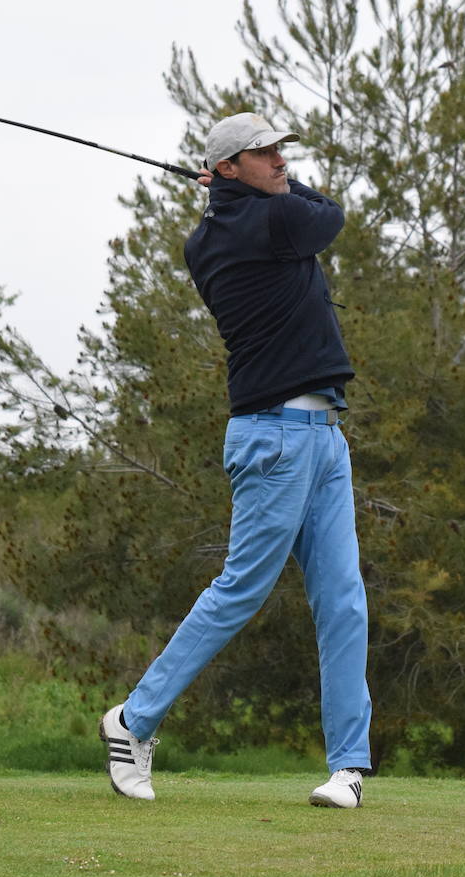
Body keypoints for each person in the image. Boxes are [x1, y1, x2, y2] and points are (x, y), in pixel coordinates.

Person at [99, 112, 372, 808]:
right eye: (264, 153)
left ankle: (348, 769)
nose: (281, 161)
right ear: (226, 167)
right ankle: (132, 722)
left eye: (282, 151)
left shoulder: (214, 234)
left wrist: (235, 191)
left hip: (321, 436)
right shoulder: (270, 224)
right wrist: (260, 193)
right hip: (275, 439)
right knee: (239, 592)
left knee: (343, 601)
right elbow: (328, 217)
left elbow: (269, 211)